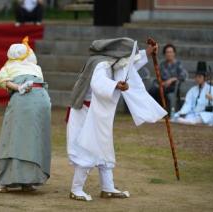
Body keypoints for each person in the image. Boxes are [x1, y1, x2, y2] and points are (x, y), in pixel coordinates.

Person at [66, 38, 167, 201]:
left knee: (103, 147)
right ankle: (76, 189)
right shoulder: (101, 64)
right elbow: (98, 83)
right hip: (86, 113)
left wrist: (147, 52)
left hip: (97, 111)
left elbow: (127, 67)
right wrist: (115, 86)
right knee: (87, 147)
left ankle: (107, 187)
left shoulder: (110, 61)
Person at [0, 37, 51, 192]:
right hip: (43, 100)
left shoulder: (9, 66)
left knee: (12, 139)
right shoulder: (35, 68)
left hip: (24, 101)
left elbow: (1, 80)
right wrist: (20, 87)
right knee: (33, 140)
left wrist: (18, 87)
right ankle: (28, 181)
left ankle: (3, 182)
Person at [172, 61, 213, 127]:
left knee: (207, 117)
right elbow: (188, 103)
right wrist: (182, 112)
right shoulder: (192, 90)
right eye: (196, 77)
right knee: (177, 116)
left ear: (204, 78)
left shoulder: (210, 88)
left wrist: (212, 98)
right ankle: (190, 121)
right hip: (194, 114)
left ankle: (191, 122)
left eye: (199, 77)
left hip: (205, 114)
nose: (197, 79)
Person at [149, 44, 187, 113]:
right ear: (165, 54)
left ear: (174, 53)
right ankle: (154, 112)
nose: (169, 54)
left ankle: (164, 112)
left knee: (160, 91)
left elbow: (184, 75)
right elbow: (157, 78)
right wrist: (163, 83)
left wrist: (172, 79)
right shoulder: (162, 65)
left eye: (171, 52)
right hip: (163, 86)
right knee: (152, 90)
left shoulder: (178, 64)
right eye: (167, 52)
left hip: (173, 87)